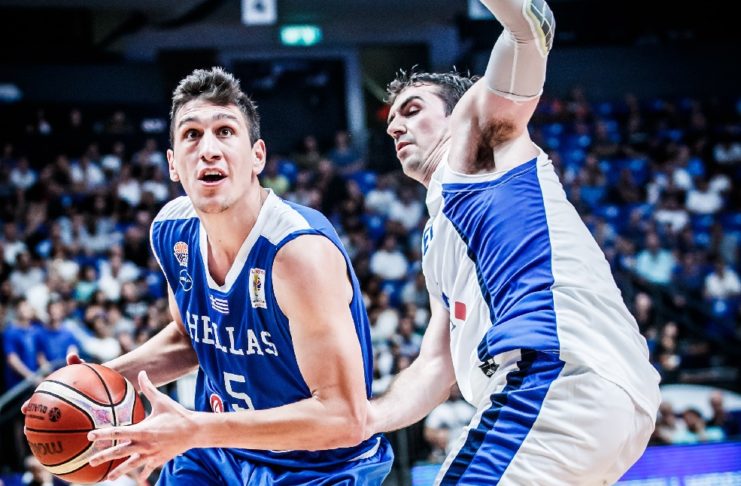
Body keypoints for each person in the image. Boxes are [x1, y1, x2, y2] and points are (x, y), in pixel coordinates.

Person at [27, 67, 392, 485]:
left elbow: (344, 418)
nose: (209, 150)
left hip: (316, 464)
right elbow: (191, 340)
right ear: (172, 165)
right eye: (192, 135)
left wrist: (195, 429)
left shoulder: (297, 252)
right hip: (217, 451)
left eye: (225, 131)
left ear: (257, 156)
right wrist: (90, 388)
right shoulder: (171, 231)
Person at [366, 0, 661, 484]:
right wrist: (364, 418)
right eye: (392, 119)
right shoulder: (438, 235)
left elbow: (530, 30)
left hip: (554, 377)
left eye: (413, 110)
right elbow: (436, 366)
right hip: (603, 402)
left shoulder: (478, 147)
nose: (395, 126)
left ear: (460, 114)